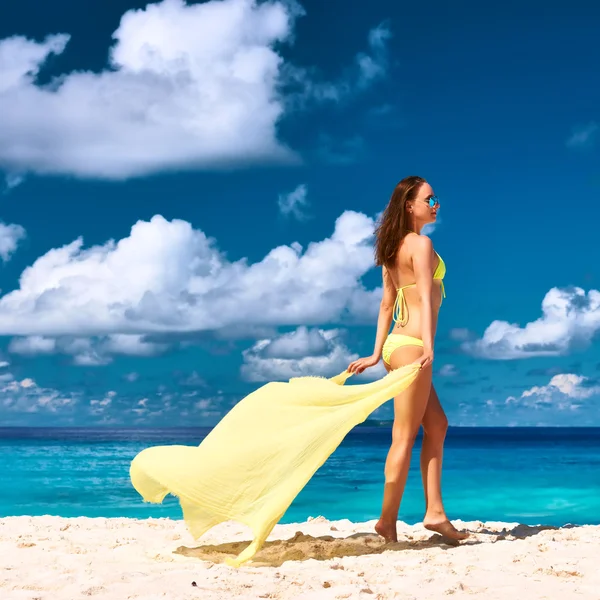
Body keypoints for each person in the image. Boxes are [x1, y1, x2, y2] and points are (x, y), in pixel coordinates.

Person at [347, 176, 469, 543]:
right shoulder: (421, 244)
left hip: (396, 346)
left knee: (438, 426)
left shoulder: (391, 249)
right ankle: (387, 521)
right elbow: (427, 302)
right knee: (403, 436)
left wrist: (375, 352)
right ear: (409, 206)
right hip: (414, 344)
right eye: (429, 199)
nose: (436, 205)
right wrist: (429, 346)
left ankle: (434, 512)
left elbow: (387, 304)